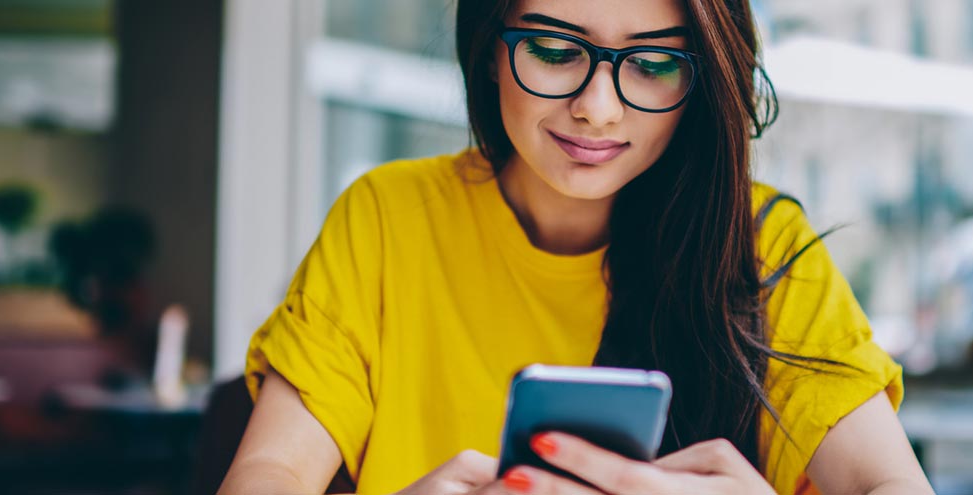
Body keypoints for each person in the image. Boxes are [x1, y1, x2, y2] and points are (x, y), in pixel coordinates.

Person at [219, 0, 930, 493]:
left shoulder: (763, 247)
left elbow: (887, 482)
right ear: (490, 50)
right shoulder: (388, 220)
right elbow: (265, 474)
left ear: (701, 78)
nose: (598, 106)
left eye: (653, 65)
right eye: (556, 51)